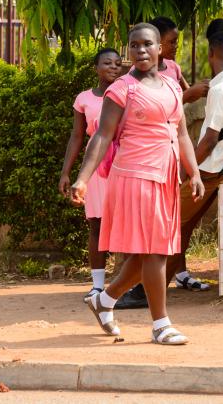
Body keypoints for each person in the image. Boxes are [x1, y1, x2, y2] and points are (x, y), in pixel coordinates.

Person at [70, 23, 204, 345]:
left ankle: (104, 300)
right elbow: (101, 135)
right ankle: (161, 325)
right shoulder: (122, 89)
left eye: (147, 45)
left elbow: (181, 133)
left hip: (165, 176)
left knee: (147, 254)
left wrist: (194, 171)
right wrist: (82, 178)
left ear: (160, 49)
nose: (140, 51)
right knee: (156, 251)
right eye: (134, 46)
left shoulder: (172, 86)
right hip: (133, 175)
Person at [166, 29, 223, 291]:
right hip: (220, 168)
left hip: (207, 170)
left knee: (168, 225)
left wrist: (187, 171)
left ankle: (144, 289)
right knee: (180, 227)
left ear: (211, 53)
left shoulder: (220, 89)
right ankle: (162, 281)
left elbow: (209, 140)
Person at [58, 48, 123, 300]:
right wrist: (66, 172)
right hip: (96, 166)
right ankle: (97, 284)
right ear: (96, 68)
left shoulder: (128, 93)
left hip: (123, 162)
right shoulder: (84, 98)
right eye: (107, 63)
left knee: (123, 223)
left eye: (118, 63)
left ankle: (122, 284)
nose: (113, 67)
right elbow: (76, 136)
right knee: (96, 223)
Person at [149, 16, 209, 104]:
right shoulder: (142, 72)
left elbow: (190, 97)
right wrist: (190, 92)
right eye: (172, 42)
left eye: (176, 41)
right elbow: (159, 107)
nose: (176, 46)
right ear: (156, 42)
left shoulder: (173, 66)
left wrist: (202, 88)